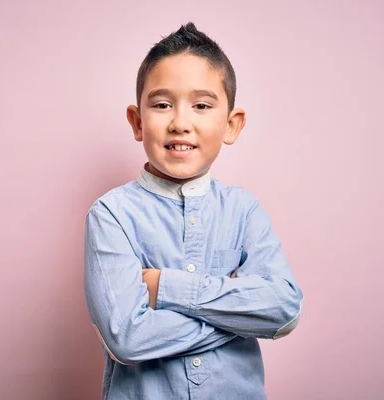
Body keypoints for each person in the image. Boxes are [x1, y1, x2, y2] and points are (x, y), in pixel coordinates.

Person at [84, 22, 303, 400]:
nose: (180, 123)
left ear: (231, 125)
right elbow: (127, 338)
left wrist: (164, 287)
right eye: (162, 104)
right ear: (137, 122)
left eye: (201, 106)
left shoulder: (243, 210)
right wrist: (241, 314)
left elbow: (284, 307)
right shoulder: (111, 215)